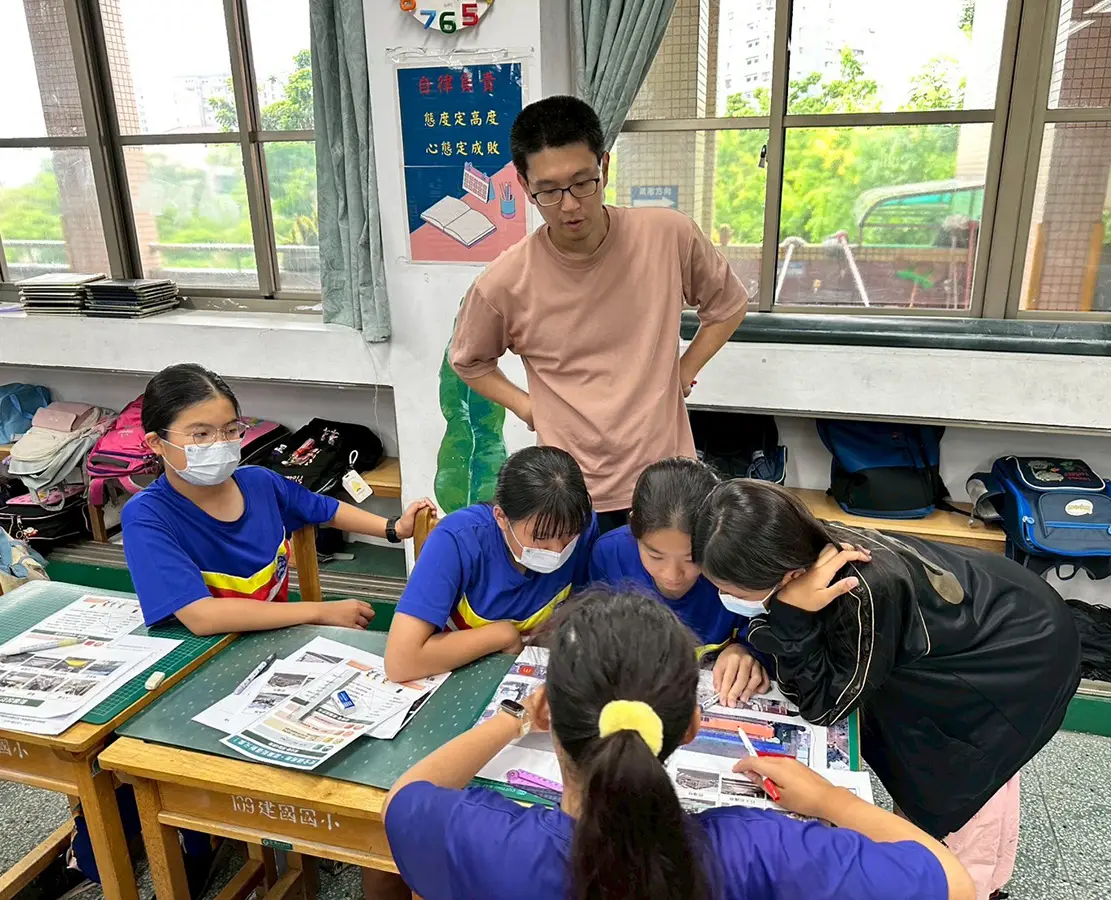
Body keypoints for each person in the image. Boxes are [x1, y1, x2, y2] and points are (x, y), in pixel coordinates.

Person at [380, 588, 974, 900]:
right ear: (690, 726)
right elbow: (954, 884)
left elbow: (404, 798)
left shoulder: (491, 843)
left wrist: (514, 719)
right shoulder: (759, 849)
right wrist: (829, 801)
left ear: (547, 710)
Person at [693, 480, 1082, 900]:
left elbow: (823, 706)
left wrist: (790, 618)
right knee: (920, 767)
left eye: (734, 592)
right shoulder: (798, 549)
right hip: (985, 618)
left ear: (788, 577)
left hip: (1020, 654)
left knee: (956, 778)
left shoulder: (858, 593)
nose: (725, 597)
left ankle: (971, 884)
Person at [449, 95, 748, 534]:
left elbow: (728, 305)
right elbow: (468, 361)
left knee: (669, 578)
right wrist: (527, 407)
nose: (569, 205)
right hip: (570, 489)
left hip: (667, 481)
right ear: (524, 185)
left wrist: (684, 370)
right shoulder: (505, 281)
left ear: (604, 166)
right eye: (549, 190)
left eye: (582, 183)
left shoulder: (668, 236)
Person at [121, 364, 434, 635]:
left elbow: (323, 508)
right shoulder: (148, 515)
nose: (220, 444)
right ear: (157, 443)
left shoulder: (259, 483)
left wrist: (394, 528)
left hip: (274, 637)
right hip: (207, 651)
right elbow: (201, 617)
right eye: (201, 434)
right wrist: (318, 612)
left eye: (230, 430)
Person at [384, 445, 596, 683]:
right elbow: (400, 662)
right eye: (541, 537)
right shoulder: (457, 540)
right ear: (501, 518)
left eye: (567, 535)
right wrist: (501, 636)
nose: (557, 550)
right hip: (458, 674)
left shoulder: (584, 528)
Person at [589, 457, 770, 706]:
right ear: (633, 528)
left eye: (692, 558)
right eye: (655, 556)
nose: (672, 575)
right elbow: (592, 633)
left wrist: (745, 650)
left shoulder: (737, 566)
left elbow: (764, 629)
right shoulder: (608, 555)